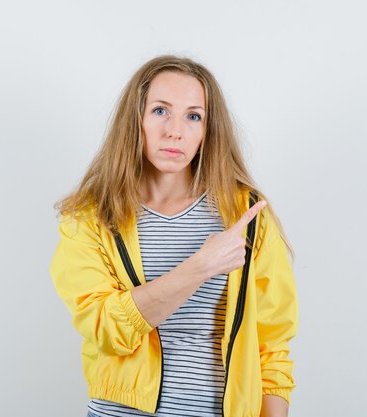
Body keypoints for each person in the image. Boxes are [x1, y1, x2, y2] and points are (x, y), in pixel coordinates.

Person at [49, 54, 298, 417]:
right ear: (135, 120)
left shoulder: (247, 216)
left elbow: (272, 344)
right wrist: (199, 267)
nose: (175, 131)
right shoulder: (91, 217)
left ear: (208, 131)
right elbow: (104, 327)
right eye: (160, 111)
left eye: (193, 116)